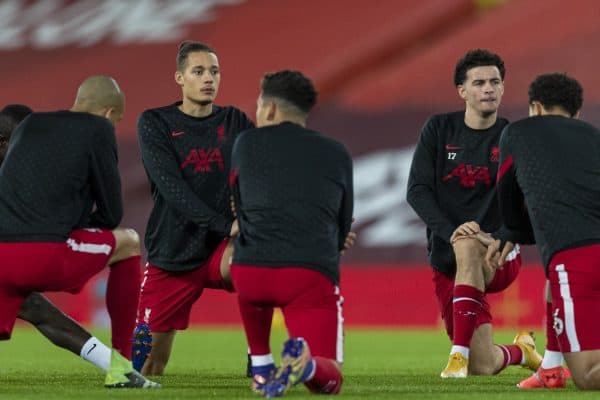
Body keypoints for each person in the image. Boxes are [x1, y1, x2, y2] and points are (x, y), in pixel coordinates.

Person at [0, 78, 159, 389]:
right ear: (108, 112)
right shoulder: (98, 129)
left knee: (36, 310)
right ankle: (122, 367)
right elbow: (112, 213)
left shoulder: (31, 124)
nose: (113, 125)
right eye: (115, 119)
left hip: (2, 253)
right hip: (44, 254)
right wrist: (78, 228)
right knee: (128, 241)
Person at [406, 49, 541, 378]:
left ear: (503, 88)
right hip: (446, 258)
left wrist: (498, 235)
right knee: (483, 365)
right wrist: (452, 231)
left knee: (468, 245)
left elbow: (527, 197)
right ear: (462, 91)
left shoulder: (514, 136)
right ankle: (520, 351)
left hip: (497, 253)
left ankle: (456, 357)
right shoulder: (439, 130)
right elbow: (417, 191)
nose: (489, 88)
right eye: (479, 82)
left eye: (495, 82)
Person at [229, 69, 353, 397]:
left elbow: (239, 205)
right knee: (331, 380)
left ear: (269, 109)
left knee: (250, 265)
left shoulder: (245, 143)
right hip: (306, 273)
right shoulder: (336, 152)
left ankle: (261, 365)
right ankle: (307, 365)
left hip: (248, 272)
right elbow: (343, 221)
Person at [134, 40, 255, 376]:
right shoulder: (155, 123)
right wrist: (224, 223)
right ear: (180, 78)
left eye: (214, 71)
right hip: (173, 251)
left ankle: (258, 356)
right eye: (198, 71)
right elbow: (172, 189)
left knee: (259, 257)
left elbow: (259, 172)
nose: (208, 79)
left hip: (223, 248)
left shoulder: (234, 121)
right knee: (145, 367)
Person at [492, 72, 600, 390]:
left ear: (536, 107)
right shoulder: (593, 136)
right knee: (552, 283)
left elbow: (506, 195)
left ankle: (558, 371)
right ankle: (550, 369)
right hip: (579, 250)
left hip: (577, 257)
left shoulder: (517, 132)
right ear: (576, 112)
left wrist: (511, 231)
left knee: (588, 375)